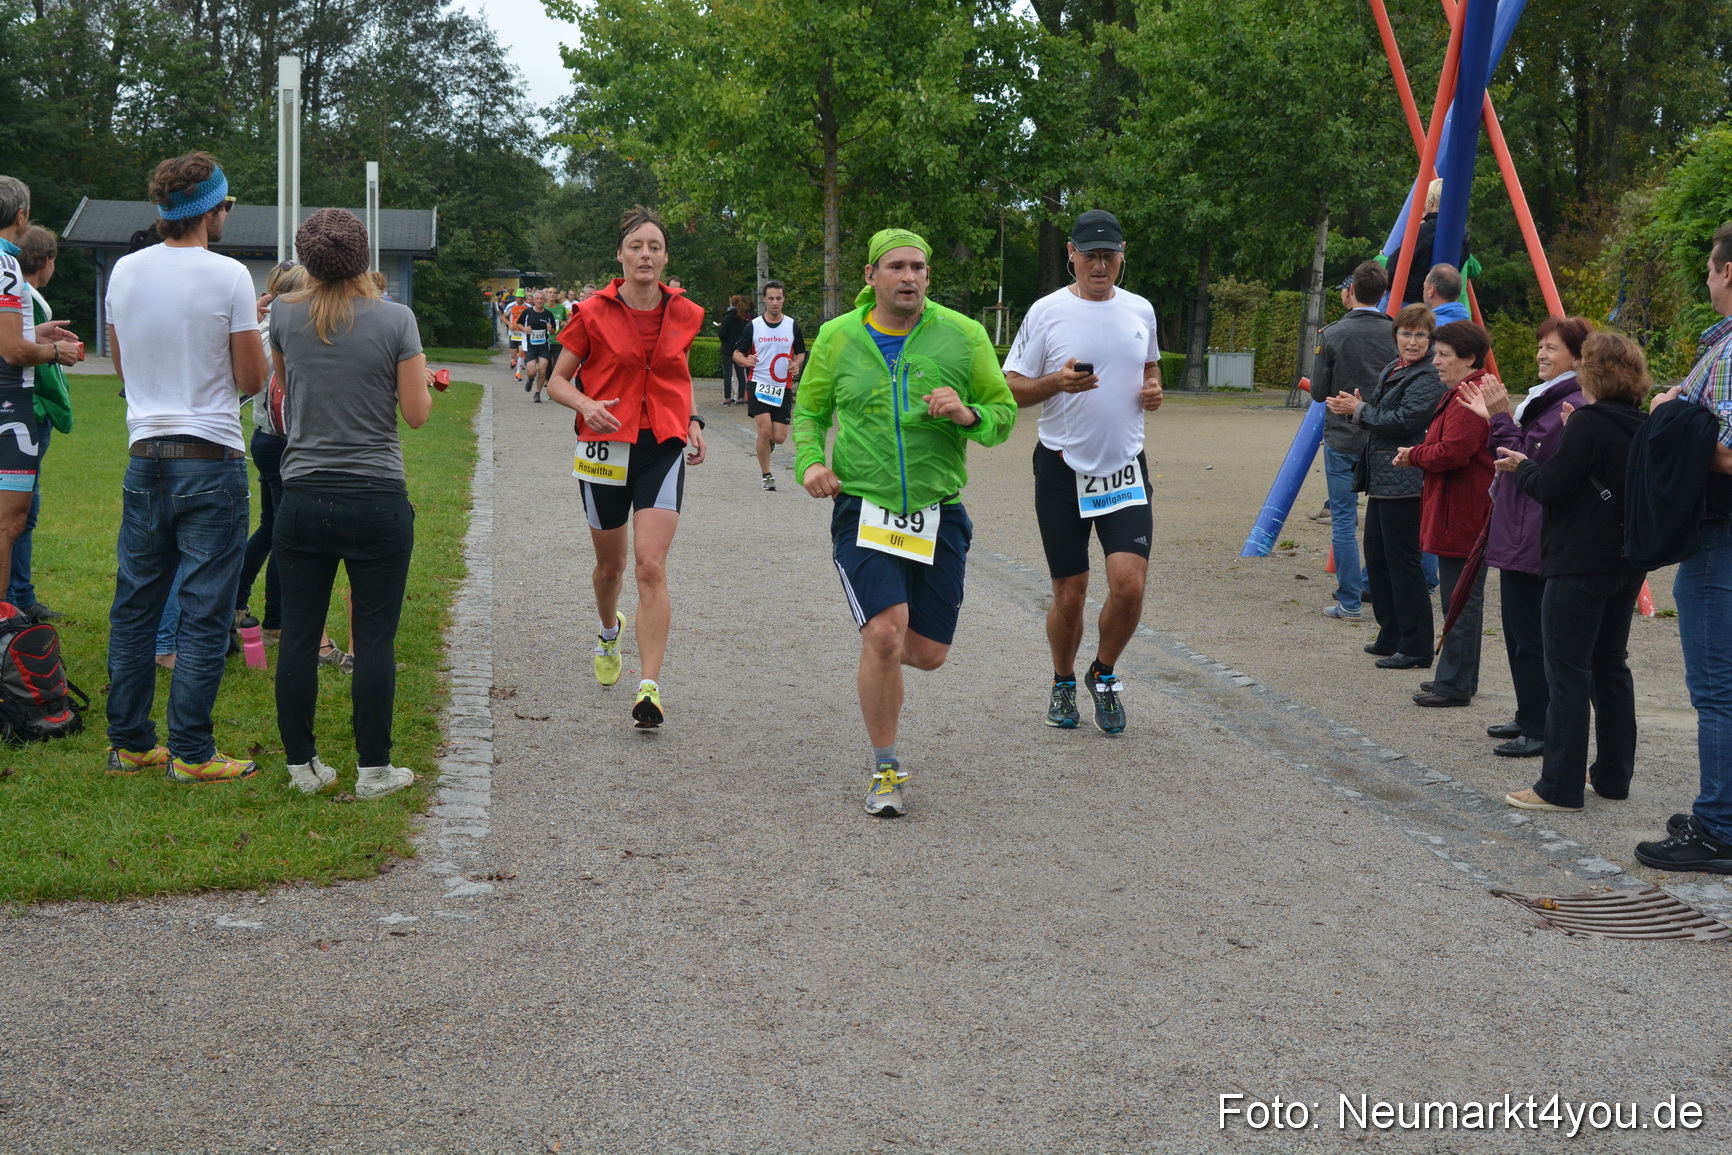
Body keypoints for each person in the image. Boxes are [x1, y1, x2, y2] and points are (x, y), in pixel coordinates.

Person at [792, 227, 1015, 817]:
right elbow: (810, 412)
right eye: (896, 267)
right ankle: (886, 767)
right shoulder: (838, 338)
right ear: (871, 276)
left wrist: (967, 413)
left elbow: (1003, 413)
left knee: (928, 651)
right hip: (862, 506)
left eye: (918, 266)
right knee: (886, 633)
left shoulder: (963, 336)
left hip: (939, 513)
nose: (909, 276)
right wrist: (810, 461)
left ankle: (878, 652)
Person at [102, 152, 268, 783]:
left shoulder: (124, 271)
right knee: (203, 611)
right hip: (211, 458)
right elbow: (250, 378)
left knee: (137, 607)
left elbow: (123, 367)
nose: (228, 215)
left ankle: (132, 742)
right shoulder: (227, 276)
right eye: (227, 205)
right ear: (211, 209)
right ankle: (194, 752)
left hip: (144, 456)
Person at [270, 208, 430, 798]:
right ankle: (374, 770)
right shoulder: (396, 320)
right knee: (376, 638)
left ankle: (301, 767)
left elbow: (286, 393)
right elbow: (415, 415)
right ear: (364, 256)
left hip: (304, 495)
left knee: (300, 633)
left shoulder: (285, 319)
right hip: (375, 496)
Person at [546, 205, 708, 728]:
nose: (645, 254)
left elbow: (679, 377)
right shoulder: (591, 312)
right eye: (636, 246)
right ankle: (607, 629)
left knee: (650, 565)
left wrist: (695, 419)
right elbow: (556, 380)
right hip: (605, 446)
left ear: (665, 258)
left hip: (661, 444)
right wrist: (584, 404)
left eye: (654, 247)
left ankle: (650, 688)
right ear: (620, 255)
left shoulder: (686, 313)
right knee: (611, 568)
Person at [1003, 208, 1162, 735]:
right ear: (1071, 253)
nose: (1099, 264)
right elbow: (1012, 386)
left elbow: (1150, 365)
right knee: (1070, 592)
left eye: (1108, 255)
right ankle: (1064, 680)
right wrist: (1056, 384)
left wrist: (1153, 389)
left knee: (1130, 586)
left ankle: (1104, 672)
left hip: (1124, 468)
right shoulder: (1046, 311)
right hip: (1061, 466)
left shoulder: (1141, 309)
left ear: (1122, 257)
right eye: (1089, 254)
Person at [1483, 332, 1649, 812]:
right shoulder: (1639, 423)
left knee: (1568, 670)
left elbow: (1553, 487)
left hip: (1578, 559)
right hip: (1624, 559)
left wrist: (1522, 467)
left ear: (1591, 372)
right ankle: (1613, 775)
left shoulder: (1588, 423)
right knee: (1610, 665)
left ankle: (1559, 785)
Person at [1634, 221, 1732, 871]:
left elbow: (1724, 453)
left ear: (1729, 273)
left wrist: (1673, 412)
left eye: (1709, 265)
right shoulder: (1719, 344)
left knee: (1716, 688)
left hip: (1718, 534)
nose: (1705, 275)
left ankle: (1717, 826)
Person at [1478, 316, 1590, 757]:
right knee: (1517, 630)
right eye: (1540, 345)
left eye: (1553, 347)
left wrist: (1500, 417)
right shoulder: (1548, 397)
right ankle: (1528, 715)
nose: (1542, 353)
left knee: (1533, 634)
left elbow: (1527, 456)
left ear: (1577, 358)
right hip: (1520, 524)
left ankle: (1541, 728)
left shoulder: (1571, 402)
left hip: (1534, 528)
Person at [1326, 304, 1442, 669]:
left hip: (1406, 478)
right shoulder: (1395, 367)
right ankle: (1391, 633)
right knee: (1377, 558)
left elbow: (1404, 420)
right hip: (1382, 476)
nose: (1411, 341)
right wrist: (1357, 407)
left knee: (1403, 564)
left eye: (1420, 335)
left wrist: (1358, 411)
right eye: (1406, 333)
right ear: (1396, 336)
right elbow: (1378, 414)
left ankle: (1417, 645)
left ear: (1430, 339)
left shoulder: (1428, 376)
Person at [1390, 320, 1494, 706]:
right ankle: (1458, 677)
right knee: (1459, 599)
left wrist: (1412, 455)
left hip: (1464, 512)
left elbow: (1453, 452)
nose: (1435, 361)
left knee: (1460, 600)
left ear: (1468, 358)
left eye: (1444, 355)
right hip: (1460, 509)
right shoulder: (1465, 391)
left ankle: (1455, 683)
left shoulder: (1470, 395)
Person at [0, 180, 79, 624]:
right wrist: (54, 351)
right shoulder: (6, 266)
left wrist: (34, 335)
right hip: (10, 410)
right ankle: (4, 626)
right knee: (9, 523)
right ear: (21, 217)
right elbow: (13, 353)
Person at [1311, 261, 1397, 624]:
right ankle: (1382, 590)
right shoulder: (1396, 332)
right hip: (1384, 435)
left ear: (1350, 292)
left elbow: (1318, 392)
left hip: (1343, 436)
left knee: (1344, 521)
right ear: (1383, 292)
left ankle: (1350, 601)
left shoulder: (1331, 334)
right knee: (1386, 520)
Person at [734, 281, 806, 490]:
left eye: (779, 298)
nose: (775, 303)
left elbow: (801, 352)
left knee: (779, 437)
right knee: (764, 431)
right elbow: (737, 352)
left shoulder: (792, 325)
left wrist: (796, 364)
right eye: (771, 298)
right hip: (758, 384)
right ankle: (767, 475)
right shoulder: (754, 326)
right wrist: (744, 361)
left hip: (782, 387)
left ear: (783, 299)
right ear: (764, 300)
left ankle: (768, 444)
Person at [1399, 179, 1471, 307]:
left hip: (1411, 299)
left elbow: (1396, 267)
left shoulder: (1423, 231)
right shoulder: (1463, 235)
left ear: (1431, 204)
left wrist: (1382, 259)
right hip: (1446, 299)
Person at [518, 288, 558, 402]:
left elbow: (553, 331)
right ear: (534, 300)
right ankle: (530, 380)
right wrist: (524, 329)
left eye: (542, 299)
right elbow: (518, 323)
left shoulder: (548, 314)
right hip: (531, 347)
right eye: (537, 299)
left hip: (544, 347)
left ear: (545, 300)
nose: (539, 301)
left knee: (542, 370)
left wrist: (551, 330)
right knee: (532, 372)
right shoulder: (527, 312)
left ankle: (537, 393)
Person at [717, 294, 753, 405]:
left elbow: (722, 334)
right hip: (739, 349)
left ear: (731, 304)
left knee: (727, 374)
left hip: (727, 349)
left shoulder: (727, 317)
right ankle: (740, 396)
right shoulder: (744, 318)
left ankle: (727, 397)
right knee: (740, 374)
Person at [506, 290, 528, 379]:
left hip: (522, 333)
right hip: (513, 333)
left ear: (524, 298)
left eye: (521, 297)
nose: (520, 299)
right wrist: (509, 324)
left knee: (522, 352)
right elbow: (503, 317)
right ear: (516, 298)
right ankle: (514, 359)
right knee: (513, 354)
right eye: (518, 297)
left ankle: (518, 373)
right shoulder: (510, 306)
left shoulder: (528, 307)